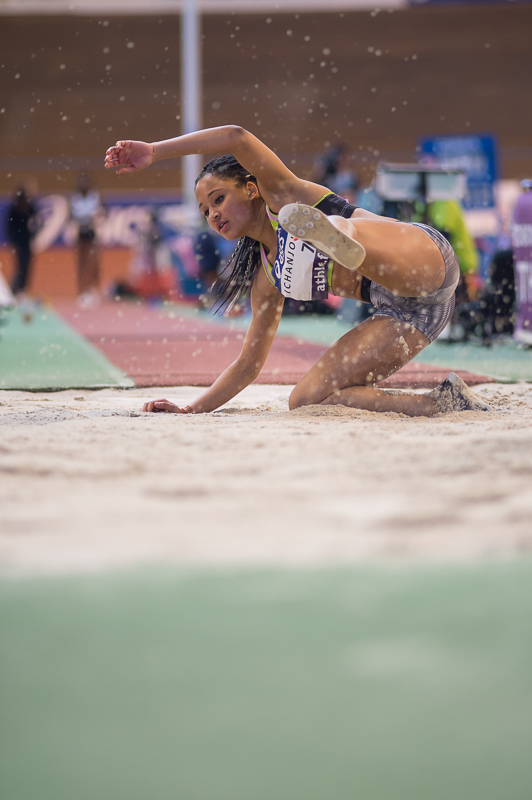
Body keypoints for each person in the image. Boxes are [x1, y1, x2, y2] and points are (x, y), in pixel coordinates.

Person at [104, 125, 491, 416]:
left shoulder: (282, 195)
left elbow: (236, 136)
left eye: (219, 199)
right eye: (206, 211)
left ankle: (340, 234)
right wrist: (191, 410)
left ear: (251, 189)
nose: (214, 214)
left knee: (333, 228)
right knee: (306, 399)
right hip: (412, 314)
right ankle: (443, 404)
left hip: (421, 259)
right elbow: (247, 366)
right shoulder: (265, 279)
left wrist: (154, 150)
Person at [70, 174, 104, 307]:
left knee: (94, 262)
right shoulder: (74, 198)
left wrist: (95, 219)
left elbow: (102, 212)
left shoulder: (95, 196)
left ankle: (94, 290)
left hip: (92, 233)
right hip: (80, 234)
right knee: (81, 264)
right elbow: (71, 216)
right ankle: (82, 292)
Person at [6, 186, 39, 297]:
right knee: (19, 265)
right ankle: (16, 289)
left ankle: (23, 289)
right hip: (18, 242)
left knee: (26, 265)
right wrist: (14, 242)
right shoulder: (14, 210)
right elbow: (10, 228)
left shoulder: (31, 208)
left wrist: (33, 236)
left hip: (27, 242)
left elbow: (35, 223)